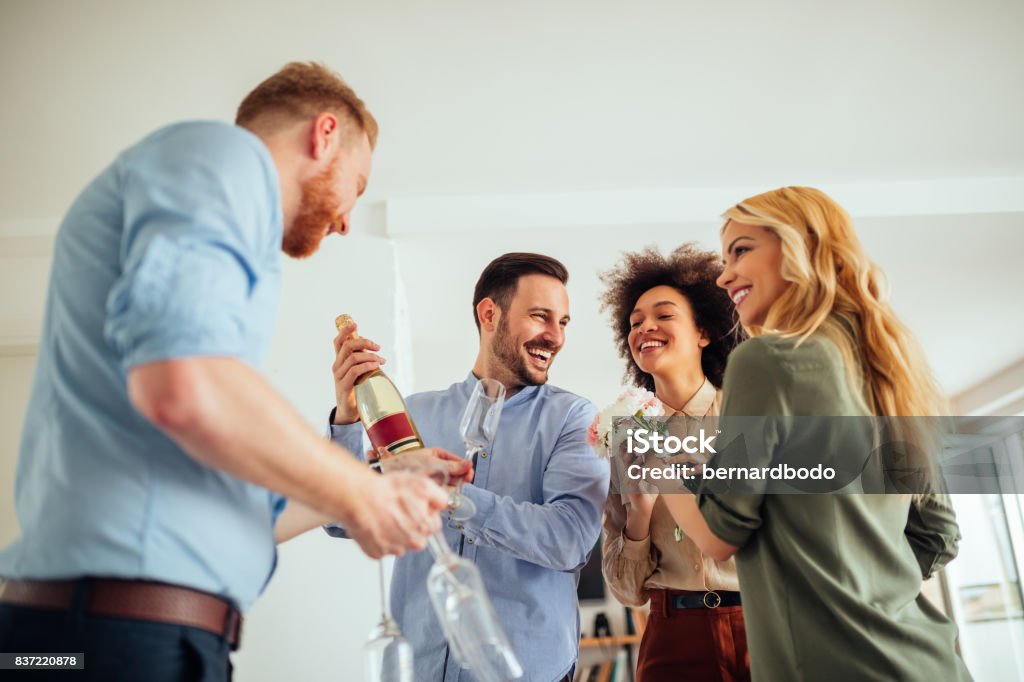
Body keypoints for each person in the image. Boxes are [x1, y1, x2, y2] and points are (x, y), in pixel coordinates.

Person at [0, 62, 452, 681]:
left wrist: (377, 484)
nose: (348, 219)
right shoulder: (226, 157)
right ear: (324, 135)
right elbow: (183, 386)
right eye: (359, 183)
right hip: (113, 637)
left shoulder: (200, 254)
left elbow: (256, 514)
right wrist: (364, 495)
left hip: (99, 638)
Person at [660, 187, 972, 680]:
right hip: (928, 660)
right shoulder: (889, 369)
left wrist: (662, 469)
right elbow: (938, 535)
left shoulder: (765, 360)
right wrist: (858, 590)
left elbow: (720, 534)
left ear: (802, 245)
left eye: (741, 250)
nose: (724, 276)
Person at [328, 253, 610, 682]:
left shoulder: (575, 419)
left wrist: (450, 495)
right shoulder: (415, 415)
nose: (555, 336)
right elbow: (340, 519)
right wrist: (348, 420)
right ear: (489, 314)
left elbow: (568, 539)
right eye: (540, 317)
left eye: (564, 323)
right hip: (418, 668)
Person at [598, 244, 748, 682]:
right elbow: (627, 591)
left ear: (703, 331)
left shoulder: (748, 415)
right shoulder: (625, 435)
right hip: (672, 637)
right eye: (636, 321)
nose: (646, 327)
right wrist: (639, 515)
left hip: (764, 623)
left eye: (664, 315)